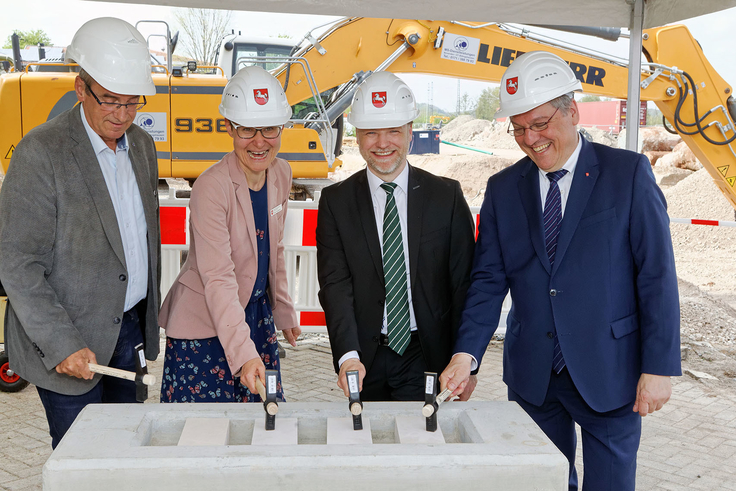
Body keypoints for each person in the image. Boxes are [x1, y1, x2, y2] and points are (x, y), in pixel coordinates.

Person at [440, 51, 681, 490]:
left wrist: (659, 367)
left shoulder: (626, 174)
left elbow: (656, 275)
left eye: (540, 123)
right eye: (518, 128)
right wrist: (466, 355)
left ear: (573, 110)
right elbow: (489, 280)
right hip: (533, 376)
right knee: (542, 484)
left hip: (610, 372)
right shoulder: (502, 189)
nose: (530, 138)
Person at [0, 18, 161, 449]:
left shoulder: (143, 147)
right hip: (71, 338)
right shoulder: (40, 153)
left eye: (132, 102)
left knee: (125, 451)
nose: (122, 114)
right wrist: (62, 343)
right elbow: (18, 265)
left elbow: (138, 237)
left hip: (128, 331)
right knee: (81, 461)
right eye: (110, 100)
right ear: (80, 87)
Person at [316, 71, 475, 401]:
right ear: (357, 137)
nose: (382, 143)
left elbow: (463, 285)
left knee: (425, 447)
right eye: (371, 133)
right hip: (364, 359)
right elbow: (335, 285)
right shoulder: (336, 202)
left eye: (393, 131)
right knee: (366, 446)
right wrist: (347, 357)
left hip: (428, 357)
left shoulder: (446, 196)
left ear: (410, 132)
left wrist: (467, 361)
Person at [159, 66, 301, 403]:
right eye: (247, 129)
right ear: (229, 128)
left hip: (255, 317)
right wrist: (243, 353)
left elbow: (275, 250)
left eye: (269, 129)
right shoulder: (211, 187)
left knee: (263, 426)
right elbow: (218, 277)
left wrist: (283, 312)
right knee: (203, 435)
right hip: (205, 323)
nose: (259, 141)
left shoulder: (281, 172)